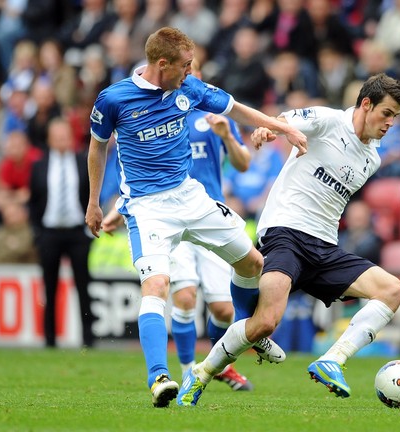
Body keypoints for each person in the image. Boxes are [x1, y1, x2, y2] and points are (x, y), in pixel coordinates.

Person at [84, 27, 307, 409]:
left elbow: (237, 108)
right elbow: (97, 149)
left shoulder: (189, 89)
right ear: (162, 63)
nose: (192, 72)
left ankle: (247, 330)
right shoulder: (114, 99)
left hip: (191, 196)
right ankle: (159, 376)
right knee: (158, 287)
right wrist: (94, 202)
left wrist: (282, 126)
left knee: (254, 263)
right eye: (186, 65)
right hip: (147, 207)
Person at [176, 72, 400, 407]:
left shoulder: (372, 157)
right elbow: (283, 122)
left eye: (396, 117)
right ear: (366, 104)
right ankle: (200, 374)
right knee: (265, 324)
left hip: (324, 246)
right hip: (285, 233)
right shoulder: (329, 120)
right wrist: (266, 130)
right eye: (386, 113)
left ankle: (332, 360)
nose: (390, 123)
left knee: (393, 290)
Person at [102, 58, 257, 391]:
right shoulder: (161, 112)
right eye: (186, 70)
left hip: (207, 212)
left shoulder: (211, 119)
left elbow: (243, 164)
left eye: (194, 71)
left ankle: (218, 363)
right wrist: (121, 207)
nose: (189, 76)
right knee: (184, 298)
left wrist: (228, 137)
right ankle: (189, 370)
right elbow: (141, 173)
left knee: (223, 309)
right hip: (166, 218)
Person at [29, 117, 96, 349]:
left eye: (65, 136)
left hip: (77, 233)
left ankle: (88, 339)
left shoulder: (83, 161)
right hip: (49, 234)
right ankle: (49, 341)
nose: (61, 141)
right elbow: (34, 202)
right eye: (57, 137)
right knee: (49, 288)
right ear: (49, 139)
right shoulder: (39, 165)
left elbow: (90, 194)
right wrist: (37, 233)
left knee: (83, 287)